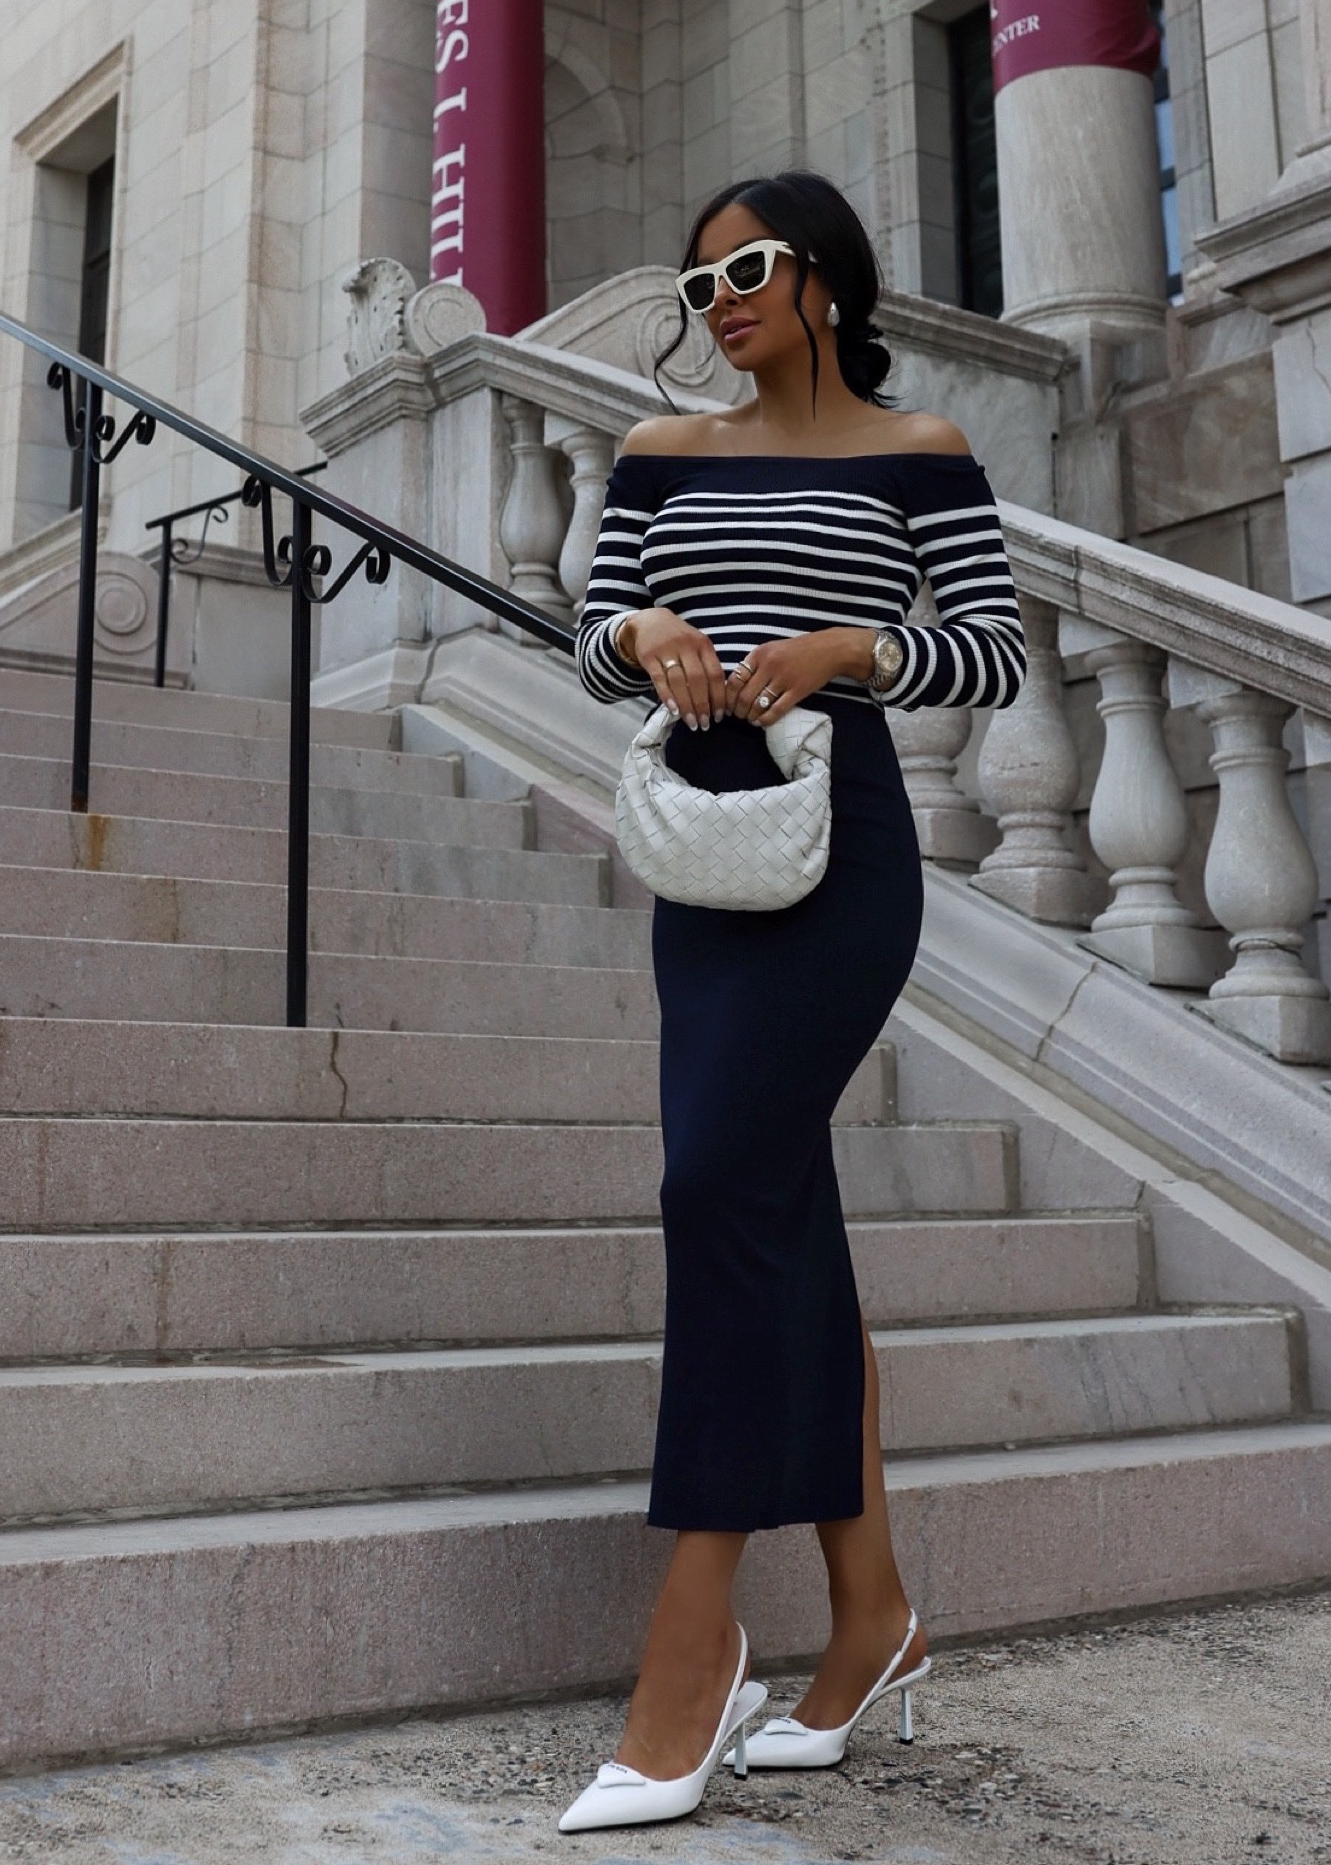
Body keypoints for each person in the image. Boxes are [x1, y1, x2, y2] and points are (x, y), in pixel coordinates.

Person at [559, 171, 1026, 1834]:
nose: (722, 301)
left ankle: (691, 1642)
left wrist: (848, 648)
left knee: (715, 1187)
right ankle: (873, 1616)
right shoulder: (658, 457)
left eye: (746, 270)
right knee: (778, 1215)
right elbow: (592, 638)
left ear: (823, 278)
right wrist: (650, 627)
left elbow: (994, 649)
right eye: (699, 286)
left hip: (845, 850)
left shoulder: (923, 456)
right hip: (705, 847)